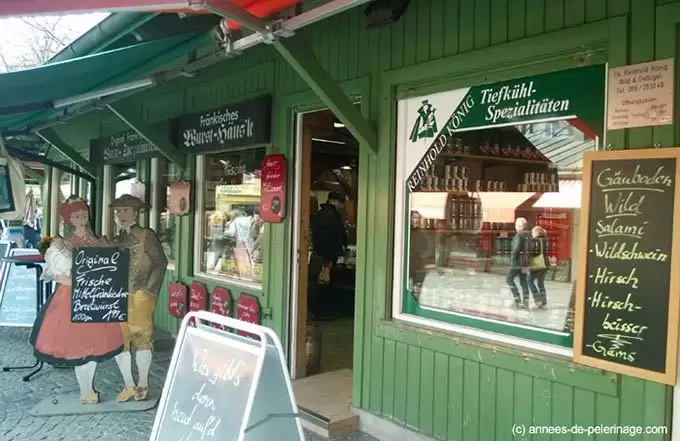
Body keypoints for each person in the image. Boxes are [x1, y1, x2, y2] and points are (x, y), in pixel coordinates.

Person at [29, 197, 124, 404]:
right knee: (78, 343)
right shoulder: (62, 244)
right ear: (69, 219)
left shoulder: (99, 242)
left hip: (95, 297)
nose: (81, 219)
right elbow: (54, 272)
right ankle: (86, 390)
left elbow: (109, 267)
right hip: (70, 298)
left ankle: (89, 389)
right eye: (77, 216)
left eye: (84, 215)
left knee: (96, 343)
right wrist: (69, 279)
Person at [109, 194, 168, 402]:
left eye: (126, 210)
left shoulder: (146, 235)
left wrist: (149, 291)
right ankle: (128, 384)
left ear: (136, 213)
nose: (121, 215)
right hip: (120, 295)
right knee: (120, 340)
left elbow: (160, 263)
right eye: (118, 211)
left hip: (141, 293)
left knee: (143, 337)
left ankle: (143, 383)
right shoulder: (116, 239)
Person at [309, 191, 348, 319]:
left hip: (321, 256)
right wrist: (329, 260)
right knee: (325, 284)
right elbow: (329, 239)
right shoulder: (331, 216)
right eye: (342, 203)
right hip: (326, 257)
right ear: (335, 201)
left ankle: (320, 312)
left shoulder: (322, 214)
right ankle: (323, 313)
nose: (343, 206)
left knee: (322, 284)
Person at [506, 217, 531, 309]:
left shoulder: (519, 235)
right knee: (523, 280)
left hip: (517, 263)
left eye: (516, 224)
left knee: (509, 279)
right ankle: (526, 301)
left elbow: (516, 249)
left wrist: (513, 260)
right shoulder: (530, 235)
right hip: (525, 262)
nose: (515, 226)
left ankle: (516, 298)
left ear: (519, 226)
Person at [528, 226, 549, 309]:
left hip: (537, 265)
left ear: (537, 232)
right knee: (540, 283)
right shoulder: (544, 240)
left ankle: (538, 300)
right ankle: (543, 301)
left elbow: (534, 253)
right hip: (545, 264)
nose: (532, 233)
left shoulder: (535, 240)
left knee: (530, 281)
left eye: (533, 232)